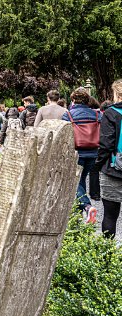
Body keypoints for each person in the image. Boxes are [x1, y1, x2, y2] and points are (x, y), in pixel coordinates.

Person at [62, 88, 101, 223]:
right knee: (82, 179)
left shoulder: (68, 115)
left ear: (73, 100)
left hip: (77, 152)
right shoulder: (96, 114)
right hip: (93, 151)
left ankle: (87, 206)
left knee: (76, 180)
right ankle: (78, 214)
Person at [95, 80, 122, 238]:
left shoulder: (111, 113)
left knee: (110, 216)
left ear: (117, 94)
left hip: (113, 169)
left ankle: (108, 254)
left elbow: (105, 145)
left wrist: (97, 166)